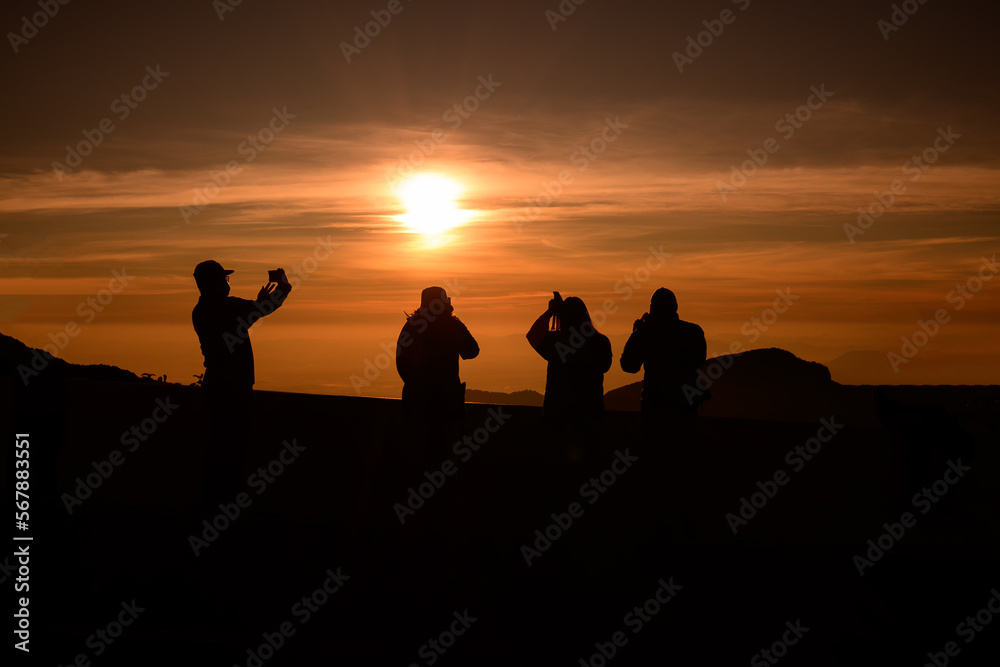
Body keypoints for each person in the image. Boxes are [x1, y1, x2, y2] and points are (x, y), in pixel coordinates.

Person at [192, 260, 291, 510]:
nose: (227, 284)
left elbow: (252, 312)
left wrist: (256, 306)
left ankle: (212, 505)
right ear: (212, 283)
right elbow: (265, 308)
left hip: (215, 387)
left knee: (216, 449)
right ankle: (226, 507)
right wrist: (284, 285)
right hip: (235, 392)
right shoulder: (227, 308)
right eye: (223, 279)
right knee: (233, 452)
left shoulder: (201, 311)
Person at [526, 293, 612, 428]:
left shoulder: (558, 344)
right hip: (591, 416)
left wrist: (551, 311)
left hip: (558, 418)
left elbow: (533, 335)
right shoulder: (601, 342)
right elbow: (606, 366)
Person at [620, 288, 706, 422]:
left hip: (655, 407)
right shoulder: (694, 332)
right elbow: (698, 361)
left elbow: (629, 366)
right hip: (685, 407)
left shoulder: (646, 334)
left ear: (652, 309)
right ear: (676, 307)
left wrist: (636, 333)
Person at [395, 286, 479, 423]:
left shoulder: (411, 327)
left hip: (415, 402)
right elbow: (472, 351)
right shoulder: (451, 325)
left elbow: (401, 363)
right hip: (447, 402)